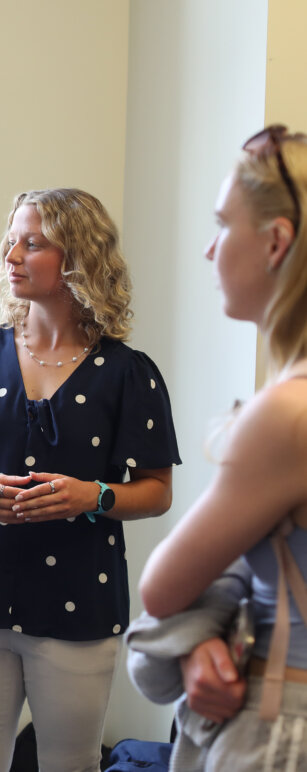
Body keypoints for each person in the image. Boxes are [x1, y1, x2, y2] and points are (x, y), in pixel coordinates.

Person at [0, 187, 181, 772]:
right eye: (10, 242)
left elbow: (158, 490)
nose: (11, 256)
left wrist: (95, 495)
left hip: (80, 607)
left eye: (32, 243)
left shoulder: (128, 374)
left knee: (72, 764)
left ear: (78, 259)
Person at [135, 124, 307, 770]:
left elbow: (161, 587)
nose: (208, 251)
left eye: (220, 225)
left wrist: (195, 633)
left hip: (281, 732)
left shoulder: (284, 415)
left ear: (274, 241)